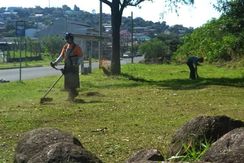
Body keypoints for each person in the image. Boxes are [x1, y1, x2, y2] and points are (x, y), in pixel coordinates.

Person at [50, 32, 83, 101]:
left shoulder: (77, 47)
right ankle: (71, 95)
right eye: (67, 39)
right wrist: (55, 63)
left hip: (74, 67)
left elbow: (81, 57)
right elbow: (61, 56)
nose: (68, 40)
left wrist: (77, 63)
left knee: (73, 82)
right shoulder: (65, 47)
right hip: (67, 66)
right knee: (68, 83)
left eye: (70, 39)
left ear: (72, 39)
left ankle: (71, 96)